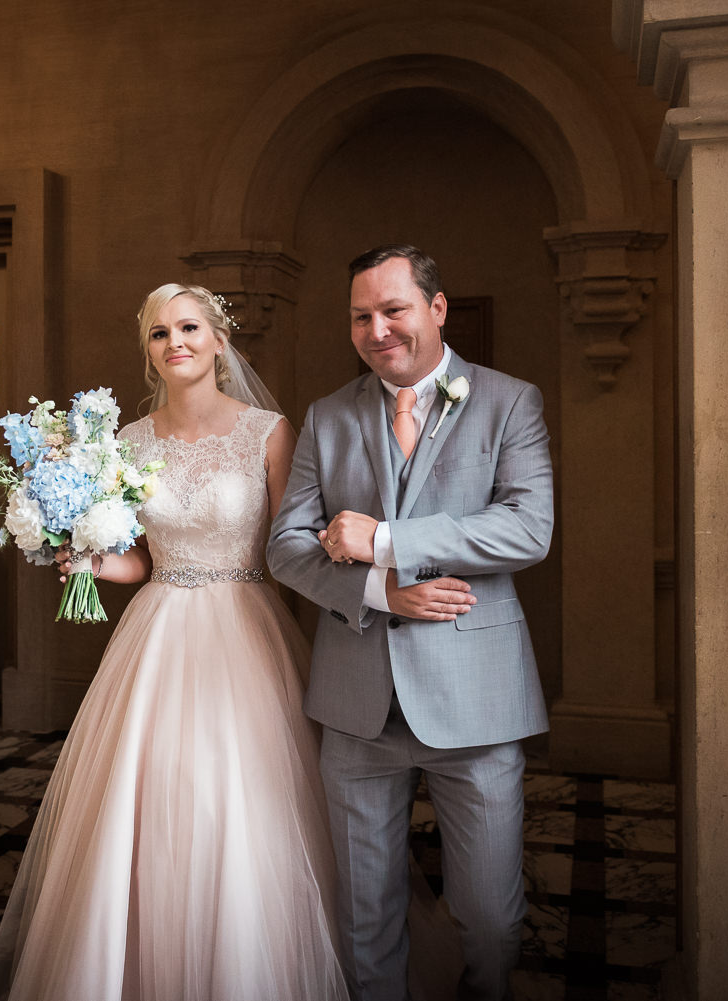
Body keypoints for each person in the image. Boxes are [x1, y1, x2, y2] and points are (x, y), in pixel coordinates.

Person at [0, 284, 350, 1001]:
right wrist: (85, 556)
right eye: (158, 333)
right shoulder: (128, 442)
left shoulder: (268, 432)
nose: (174, 341)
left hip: (245, 630)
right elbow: (139, 559)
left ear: (218, 339)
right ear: (147, 350)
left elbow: (293, 550)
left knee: (241, 799)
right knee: (145, 801)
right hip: (156, 629)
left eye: (187, 327)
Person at [267, 245, 554, 1001]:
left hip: (476, 703)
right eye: (361, 315)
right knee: (365, 916)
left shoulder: (507, 401)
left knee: (490, 918)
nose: (377, 328)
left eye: (392, 309)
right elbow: (286, 549)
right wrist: (378, 591)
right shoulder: (328, 416)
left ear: (436, 308)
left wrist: (387, 541)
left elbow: (529, 528)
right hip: (357, 706)